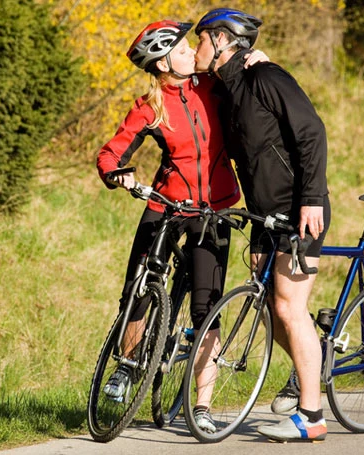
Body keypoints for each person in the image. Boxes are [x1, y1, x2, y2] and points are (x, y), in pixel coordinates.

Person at [96, 20, 267, 434]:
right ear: (165, 60)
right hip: (167, 203)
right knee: (139, 283)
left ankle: (202, 406)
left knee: (207, 309)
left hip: (215, 210)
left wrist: (259, 62)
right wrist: (116, 173)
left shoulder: (214, 86)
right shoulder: (148, 107)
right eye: (184, 48)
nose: (194, 51)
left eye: (194, 46)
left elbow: (251, 77)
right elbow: (111, 152)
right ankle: (128, 365)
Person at [193, 8, 331, 443]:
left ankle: (311, 417)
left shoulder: (267, 78)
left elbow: (311, 133)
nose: (195, 47)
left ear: (220, 40)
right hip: (264, 215)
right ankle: (316, 358)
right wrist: (255, 226)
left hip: (298, 209)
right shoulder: (228, 88)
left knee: (290, 307)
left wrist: (311, 199)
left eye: (200, 39)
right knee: (273, 306)